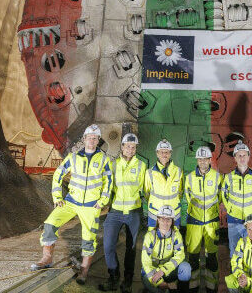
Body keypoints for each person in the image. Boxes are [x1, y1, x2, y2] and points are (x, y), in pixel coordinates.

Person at [31, 124, 112, 286]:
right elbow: (58, 175)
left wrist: (102, 202)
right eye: (89, 137)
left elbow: (108, 183)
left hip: (91, 206)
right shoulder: (73, 157)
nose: (92, 140)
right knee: (49, 224)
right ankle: (47, 258)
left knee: (89, 239)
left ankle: (84, 270)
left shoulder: (104, 159)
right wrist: (57, 196)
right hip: (70, 202)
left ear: (98, 140)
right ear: (84, 139)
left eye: (95, 138)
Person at [99, 133, 146, 292]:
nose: (130, 150)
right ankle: (113, 276)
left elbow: (146, 189)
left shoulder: (141, 166)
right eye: (127, 146)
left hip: (133, 212)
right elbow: (107, 187)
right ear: (122, 147)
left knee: (130, 248)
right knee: (108, 246)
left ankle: (127, 279)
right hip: (115, 212)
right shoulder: (113, 165)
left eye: (133, 147)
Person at [184, 146, 222, 293]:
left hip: (212, 221)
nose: (202, 162)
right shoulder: (189, 178)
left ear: (209, 160)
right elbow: (188, 198)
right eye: (200, 159)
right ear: (197, 160)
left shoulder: (217, 177)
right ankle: (193, 288)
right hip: (194, 221)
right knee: (193, 256)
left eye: (205, 159)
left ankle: (211, 288)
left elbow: (219, 197)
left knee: (211, 257)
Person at [220, 140, 252, 256]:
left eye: (244, 155)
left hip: (250, 221)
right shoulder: (229, 177)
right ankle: (235, 273)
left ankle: (248, 272)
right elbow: (224, 195)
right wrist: (229, 209)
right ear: (235, 158)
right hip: (234, 220)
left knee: (250, 250)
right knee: (234, 250)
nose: (242, 158)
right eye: (239, 155)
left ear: (248, 157)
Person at [140, 205, 191, 293]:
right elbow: (146, 262)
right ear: (158, 220)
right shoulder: (150, 236)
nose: (165, 222)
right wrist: (161, 283)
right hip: (152, 272)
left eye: (168, 219)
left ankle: (179, 289)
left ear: (172, 221)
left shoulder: (176, 235)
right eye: (162, 218)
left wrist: (163, 271)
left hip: (168, 271)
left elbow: (180, 256)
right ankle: (165, 288)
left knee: (185, 267)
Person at [145, 139, 184, 227]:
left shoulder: (178, 171)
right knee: (153, 237)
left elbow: (180, 192)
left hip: (174, 212)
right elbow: (147, 193)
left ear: (170, 153)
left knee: (174, 237)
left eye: (167, 152)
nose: (164, 155)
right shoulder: (149, 172)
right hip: (155, 212)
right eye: (161, 152)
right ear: (157, 153)